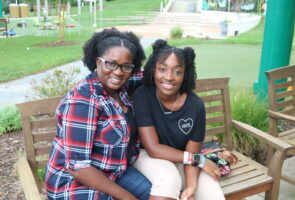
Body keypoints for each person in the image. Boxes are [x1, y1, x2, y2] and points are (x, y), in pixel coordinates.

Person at [45, 28, 151, 200]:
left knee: (158, 194)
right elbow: (78, 167)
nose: (118, 72)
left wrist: (169, 68)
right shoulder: (83, 101)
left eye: (126, 66)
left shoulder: (121, 86)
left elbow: (153, 73)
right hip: (75, 182)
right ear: (97, 62)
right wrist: (129, 198)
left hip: (115, 171)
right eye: (111, 63)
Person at [133, 39, 225, 200]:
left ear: (185, 75)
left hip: (183, 159)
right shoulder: (143, 95)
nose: (169, 77)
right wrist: (198, 160)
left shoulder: (196, 105)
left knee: (212, 191)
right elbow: (153, 148)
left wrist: (191, 187)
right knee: (168, 179)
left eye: (177, 72)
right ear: (153, 69)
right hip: (147, 155)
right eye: (162, 69)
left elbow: (193, 152)